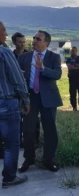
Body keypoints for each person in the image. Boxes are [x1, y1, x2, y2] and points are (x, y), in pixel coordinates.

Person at [17, 30, 63, 173]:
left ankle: (48, 160)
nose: (34, 40)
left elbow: (57, 74)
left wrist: (42, 68)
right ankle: (29, 159)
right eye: (34, 38)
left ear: (46, 43)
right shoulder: (24, 57)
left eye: (38, 39)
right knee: (28, 130)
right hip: (30, 98)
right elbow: (18, 76)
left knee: (50, 130)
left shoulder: (53, 57)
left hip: (48, 98)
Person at [0, 21, 29, 188]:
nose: (5, 34)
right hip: (7, 103)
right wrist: (26, 100)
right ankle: (9, 178)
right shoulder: (4, 52)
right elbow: (17, 80)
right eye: (3, 31)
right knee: (11, 143)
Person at [11, 32, 41, 148]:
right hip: (14, 92)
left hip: (29, 91)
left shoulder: (31, 55)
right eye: (20, 42)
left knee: (33, 118)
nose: (22, 44)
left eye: (24, 42)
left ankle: (34, 142)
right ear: (14, 42)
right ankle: (18, 141)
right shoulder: (9, 55)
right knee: (16, 119)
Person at [66, 46, 79, 111]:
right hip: (72, 79)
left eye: (74, 51)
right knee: (72, 93)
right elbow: (70, 67)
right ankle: (74, 107)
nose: (72, 52)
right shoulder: (68, 59)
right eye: (71, 51)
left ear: (76, 51)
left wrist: (75, 65)